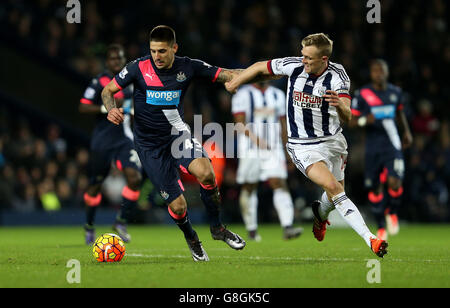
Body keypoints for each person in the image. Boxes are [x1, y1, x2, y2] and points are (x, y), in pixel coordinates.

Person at [225, 33, 388, 257]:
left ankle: (320, 215)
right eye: (302, 56)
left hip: (333, 142)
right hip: (302, 145)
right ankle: (371, 239)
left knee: (334, 195)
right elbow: (260, 66)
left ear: (323, 59)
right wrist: (236, 81)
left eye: (309, 58)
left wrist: (339, 105)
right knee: (334, 188)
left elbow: (348, 115)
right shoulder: (294, 66)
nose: (304, 61)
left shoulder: (338, 76)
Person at [102, 25, 248, 262]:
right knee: (179, 207)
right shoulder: (137, 68)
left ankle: (217, 228)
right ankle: (191, 237)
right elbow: (108, 91)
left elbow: (229, 74)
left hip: (177, 135)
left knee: (207, 174)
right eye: (153, 51)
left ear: (174, 48)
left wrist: (268, 70)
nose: (156, 57)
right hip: (149, 146)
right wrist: (111, 110)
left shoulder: (188, 66)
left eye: (161, 51)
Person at [79, 44, 142, 244]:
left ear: (124, 61)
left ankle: (120, 222)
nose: (116, 62)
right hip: (103, 141)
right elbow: (83, 107)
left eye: (120, 58)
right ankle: (89, 225)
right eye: (113, 59)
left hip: (124, 139)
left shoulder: (131, 83)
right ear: (107, 61)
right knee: (95, 185)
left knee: (134, 178)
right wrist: (108, 109)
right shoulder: (99, 82)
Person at [350, 59, 413, 240]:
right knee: (375, 189)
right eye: (375, 71)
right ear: (371, 74)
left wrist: (407, 132)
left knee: (395, 182)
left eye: (382, 70)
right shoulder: (362, 94)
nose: (379, 73)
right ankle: (380, 226)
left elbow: (399, 113)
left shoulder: (395, 92)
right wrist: (364, 120)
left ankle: (392, 212)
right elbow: (352, 121)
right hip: (372, 147)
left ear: (387, 73)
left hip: (392, 144)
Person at [231, 81, 303, 241]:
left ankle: (287, 226)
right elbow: (239, 124)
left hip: (273, 148)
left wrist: (287, 151)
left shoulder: (278, 94)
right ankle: (251, 230)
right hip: (250, 148)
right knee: (250, 186)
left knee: (279, 182)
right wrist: (258, 141)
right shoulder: (243, 94)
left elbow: (283, 124)